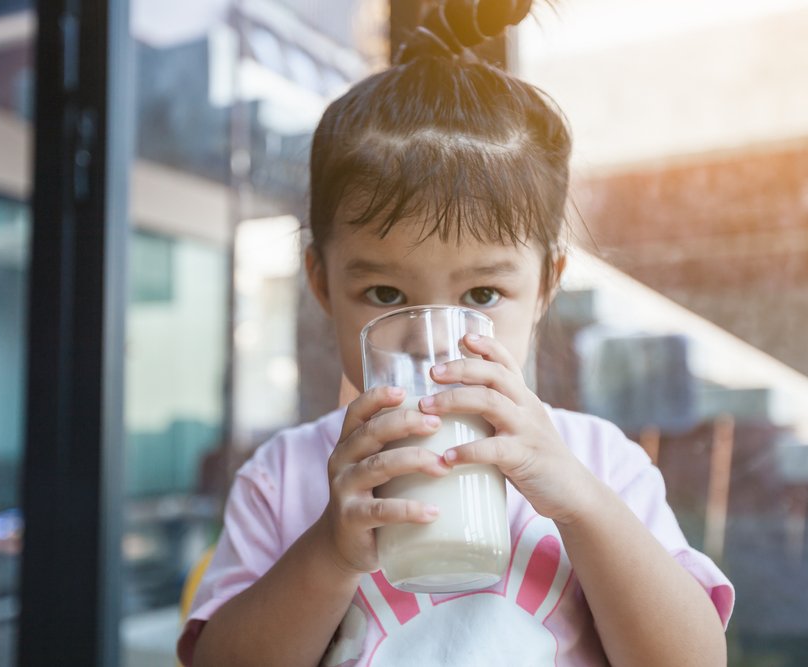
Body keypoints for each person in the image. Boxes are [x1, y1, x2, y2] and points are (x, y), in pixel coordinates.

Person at [177, 1, 734, 664]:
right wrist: (329, 552)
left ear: (546, 285)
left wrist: (581, 506)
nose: (429, 342)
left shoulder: (599, 464)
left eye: (481, 295)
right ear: (321, 284)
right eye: (386, 295)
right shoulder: (282, 479)